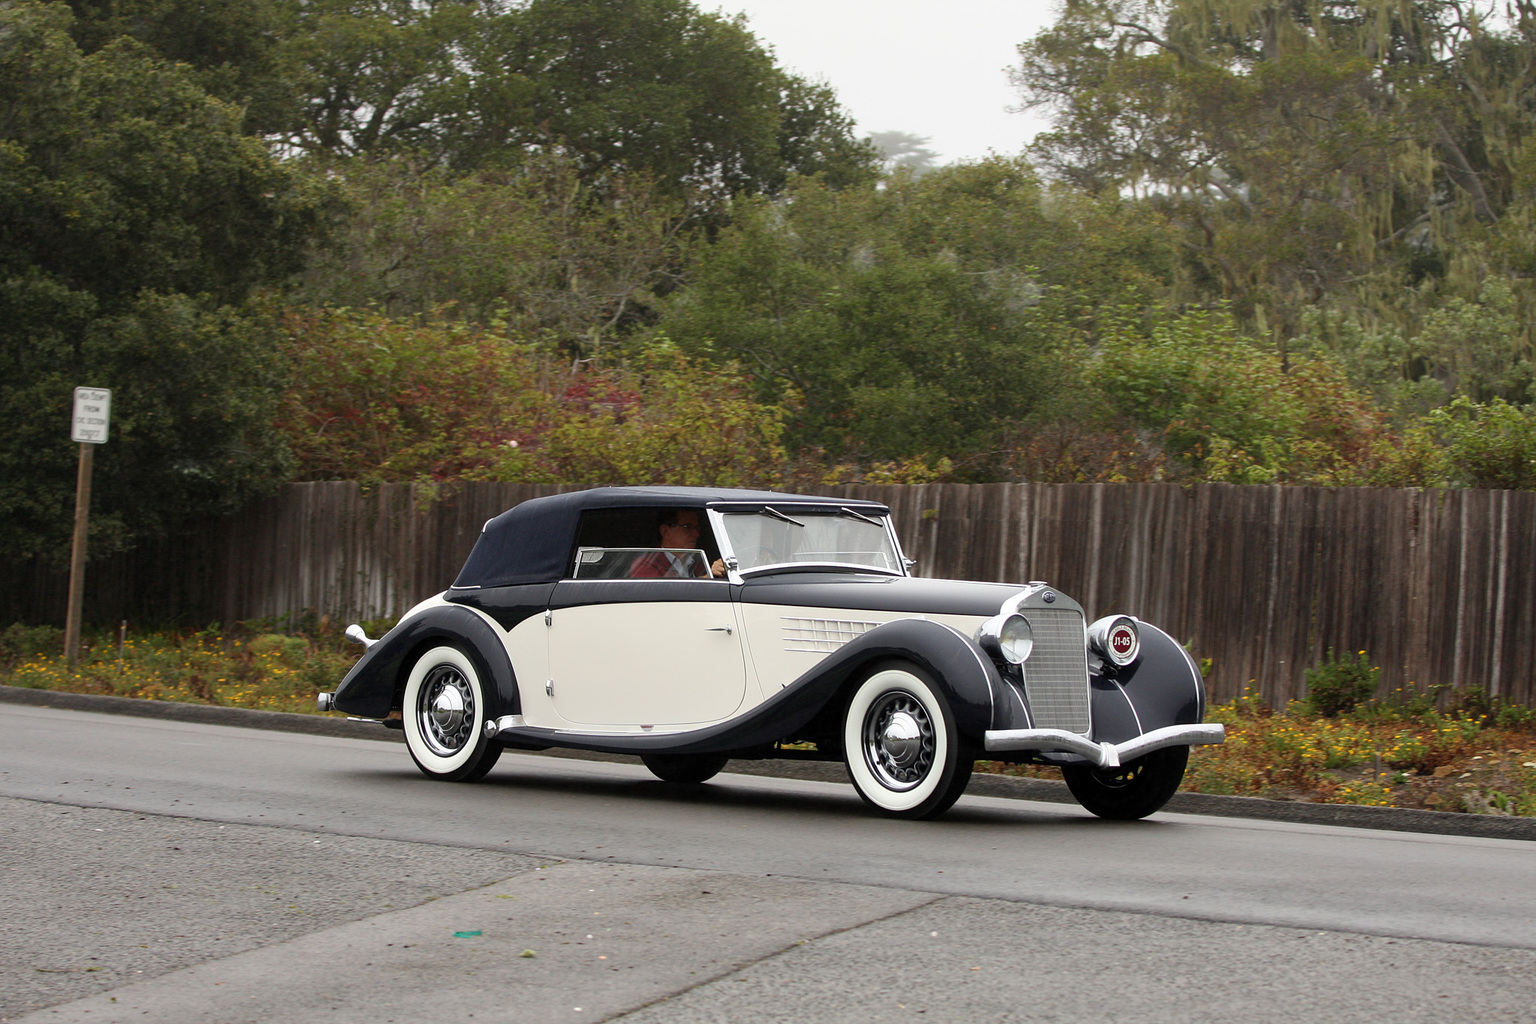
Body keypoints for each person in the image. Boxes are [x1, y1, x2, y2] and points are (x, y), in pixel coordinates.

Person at [629, 509, 726, 578]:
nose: (696, 534)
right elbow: (662, 594)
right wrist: (708, 577)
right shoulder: (646, 564)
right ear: (665, 531)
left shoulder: (698, 563)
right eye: (687, 527)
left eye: (697, 528)